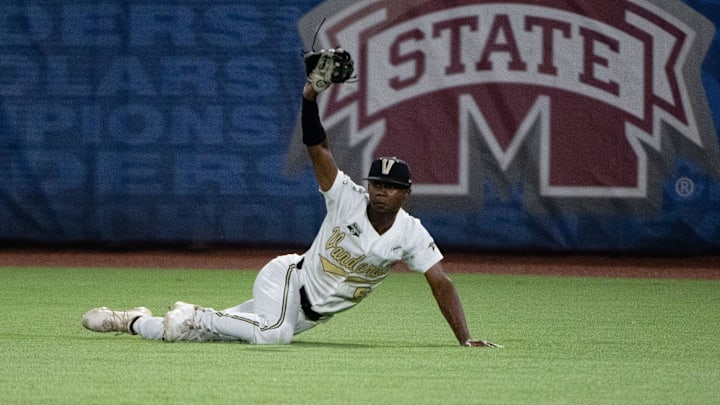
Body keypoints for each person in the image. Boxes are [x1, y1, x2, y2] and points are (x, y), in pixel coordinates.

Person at [81, 82, 501, 348]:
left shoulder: (410, 233)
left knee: (204, 337)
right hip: (286, 279)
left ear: (406, 193)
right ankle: (196, 312)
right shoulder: (346, 197)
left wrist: (464, 339)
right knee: (270, 336)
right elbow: (318, 148)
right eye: (376, 183)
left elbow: (441, 283)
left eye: (390, 187)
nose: (380, 191)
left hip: (306, 316)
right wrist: (310, 98)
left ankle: (133, 322)